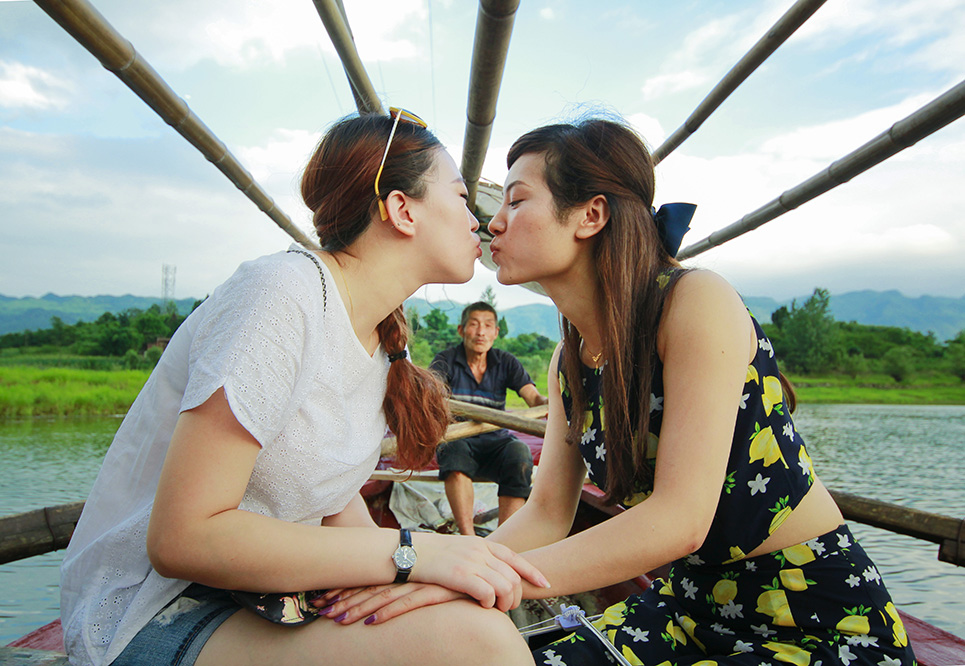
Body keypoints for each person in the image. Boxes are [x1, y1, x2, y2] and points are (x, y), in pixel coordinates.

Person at [329, 117, 917, 666]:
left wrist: (477, 579)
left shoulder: (693, 302)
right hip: (687, 607)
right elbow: (548, 513)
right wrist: (454, 570)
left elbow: (680, 519)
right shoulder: (569, 361)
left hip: (814, 617)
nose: (495, 222)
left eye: (517, 200)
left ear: (590, 215)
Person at [59, 110, 546, 666]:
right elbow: (182, 538)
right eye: (461, 197)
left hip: (267, 597)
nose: (479, 219)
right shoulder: (280, 297)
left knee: (464, 613)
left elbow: (333, 500)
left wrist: (410, 575)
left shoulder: (382, 341)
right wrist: (414, 550)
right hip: (160, 609)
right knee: (478, 641)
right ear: (402, 209)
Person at [429, 301, 548, 535]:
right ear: (462, 330)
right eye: (474, 325)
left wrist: (549, 403)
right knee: (452, 450)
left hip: (496, 440)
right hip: (458, 438)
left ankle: (504, 539)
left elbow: (534, 399)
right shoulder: (445, 360)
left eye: (487, 326)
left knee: (519, 454)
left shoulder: (506, 362)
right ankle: (469, 538)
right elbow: (434, 399)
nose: (481, 332)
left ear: (496, 332)